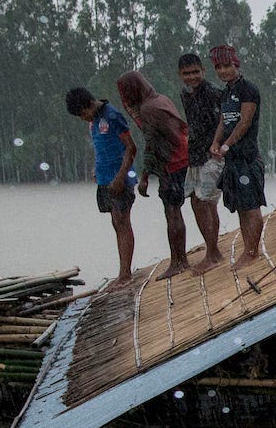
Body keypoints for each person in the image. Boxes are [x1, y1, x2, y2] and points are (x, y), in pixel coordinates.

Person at [116, 70, 192, 280]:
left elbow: (151, 145)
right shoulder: (161, 100)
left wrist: (144, 177)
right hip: (182, 158)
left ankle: (178, 261)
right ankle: (180, 258)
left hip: (172, 163)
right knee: (175, 211)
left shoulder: (148, 109)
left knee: (172, 212)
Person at [65, 85, 137, 288]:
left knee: (123, 223)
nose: (83, 119)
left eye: (82, 114)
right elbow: (102, 146)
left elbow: (131, 148)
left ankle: (125, 274)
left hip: (119, 178)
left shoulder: (112, 116)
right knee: (116, 223)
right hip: (105, 178)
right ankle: (123, 271)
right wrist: (97, 169)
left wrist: (120, 177)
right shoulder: (93, 121)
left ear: (89, 105)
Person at [208, 44, 266, 270]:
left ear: (236, 65)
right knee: (241, 207)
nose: (223, 71)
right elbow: (224, 121)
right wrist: (215, 142)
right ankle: (247, 249)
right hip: (232, 160)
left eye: (226, 66)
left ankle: (253, 251)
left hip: (247, 158)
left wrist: (226, 145)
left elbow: (245, 121)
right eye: (218, 68)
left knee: (252, 207)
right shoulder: (226, 92)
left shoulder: (248, 90)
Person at [177, 51, 226, 272]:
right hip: (195, 155)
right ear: (180, 75)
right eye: (187, 73)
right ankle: (212, 250)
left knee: (206, 202)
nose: (192, 77)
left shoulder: (213, 94)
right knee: (197, 202)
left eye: (195, 72)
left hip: (212, 154)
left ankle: (213, 254)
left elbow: (224, 122)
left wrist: (218, 147)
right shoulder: (186, 95)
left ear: (203, 71)